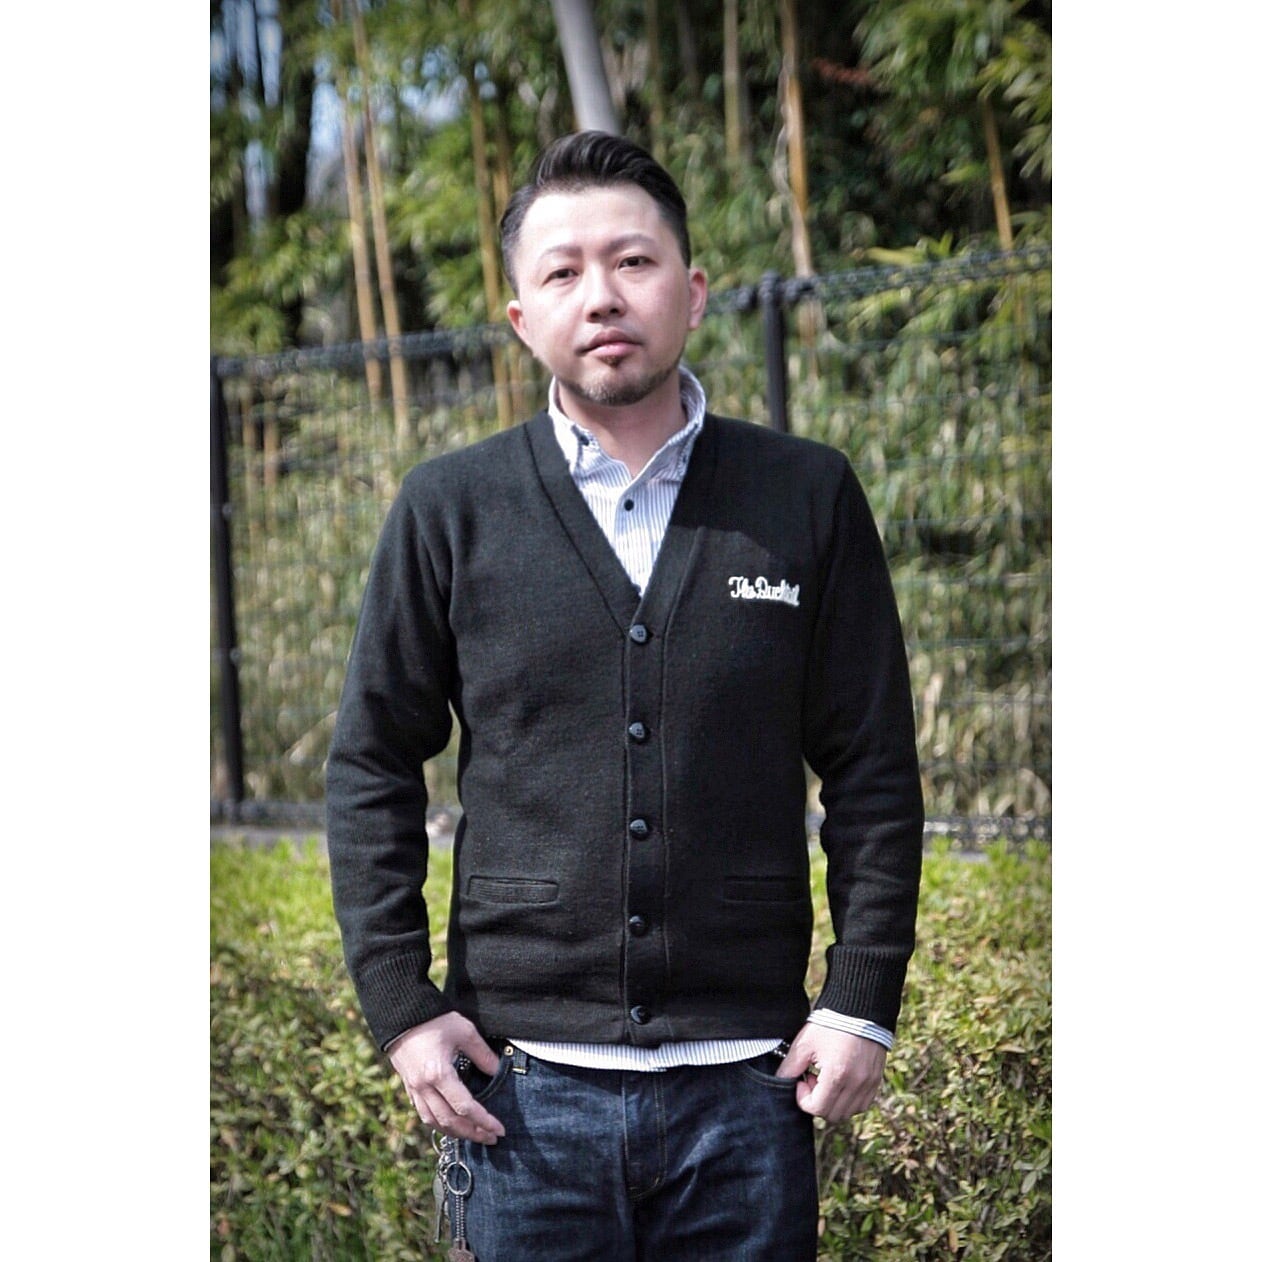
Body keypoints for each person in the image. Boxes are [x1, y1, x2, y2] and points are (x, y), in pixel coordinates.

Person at [326, 131, 924, 1261]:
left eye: (633, 261)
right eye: (562, 272)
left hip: (749, 1087)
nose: (601, 295)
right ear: (521, 318)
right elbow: (371, 763)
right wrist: (400, 1005)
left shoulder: (805, 495)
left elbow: (873, 767)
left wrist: (859, 997)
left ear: (691, 291)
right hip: (521, 1090)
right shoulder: (449, 508)